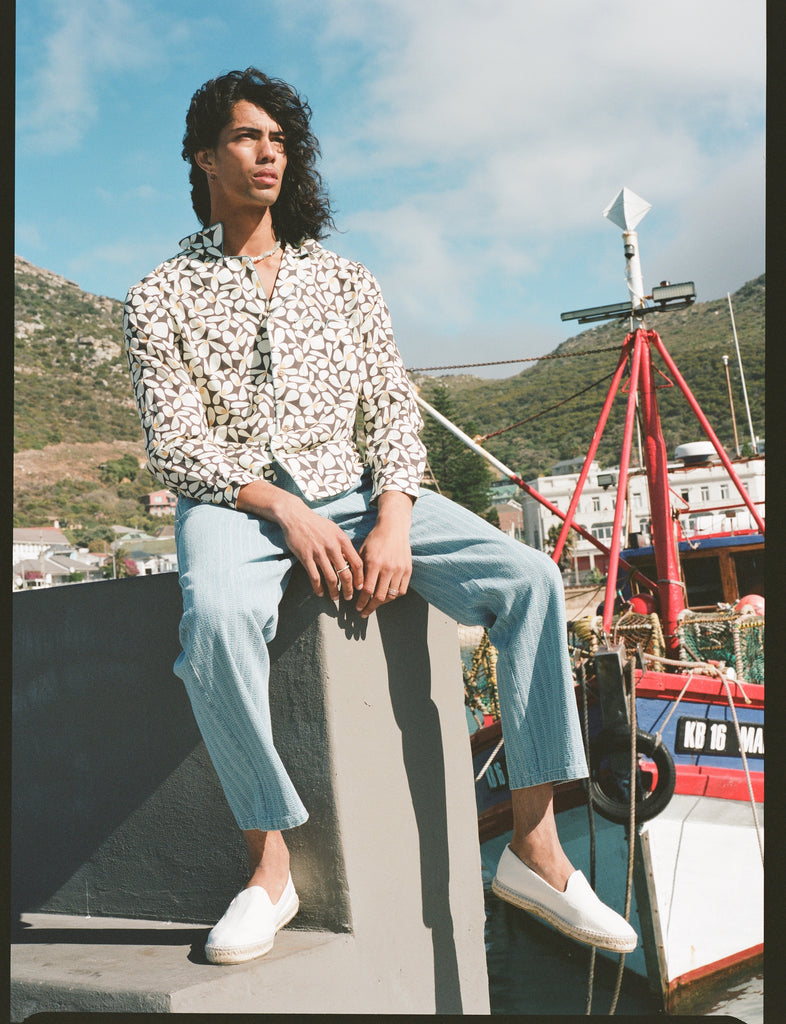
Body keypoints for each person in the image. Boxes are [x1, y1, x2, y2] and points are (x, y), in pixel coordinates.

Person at [123, 67, 636, 966]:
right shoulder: (157, 295)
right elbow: (175, 442)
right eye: (247, 137)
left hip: (361, 493)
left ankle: (535, 846)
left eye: (280, 138)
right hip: (238, 502)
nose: (268, 151)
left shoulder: (346, 281)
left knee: (531, 578)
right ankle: (269, 865)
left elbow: (393, 410)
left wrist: (392, 518)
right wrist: (282, 507)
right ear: (205, 156)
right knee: (216, 620)